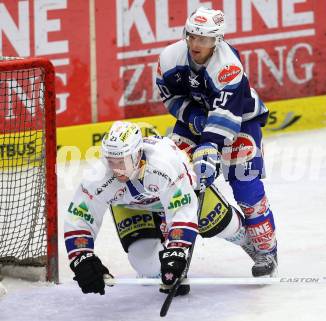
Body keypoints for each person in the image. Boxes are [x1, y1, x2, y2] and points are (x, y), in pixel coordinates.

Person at [156, 7, 277, 277]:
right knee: (174, 182)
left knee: (246, 186)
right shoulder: (169, 58)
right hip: (195, 120)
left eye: (204, 39)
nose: (196, 44)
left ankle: (266, 249)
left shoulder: (228, 66)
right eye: (192, 36)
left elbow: (227, 115)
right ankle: (175, 254)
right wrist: (194, 117)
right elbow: (170, 98)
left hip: (240, 120)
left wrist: (209, 147)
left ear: (217, 41)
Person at [65, 121, 250, 296]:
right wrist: (82, 257)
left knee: (226, 226)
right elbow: (81, 216)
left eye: (121, 161)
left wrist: (177, 250)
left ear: (137, 154)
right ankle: (163, 274)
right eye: (111, 161)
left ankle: (254, 242)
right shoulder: (98, 176)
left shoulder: (164, 163)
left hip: (181, 192)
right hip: (132, 205)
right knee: (144, 262)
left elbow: (181, 209)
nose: (116, 169)